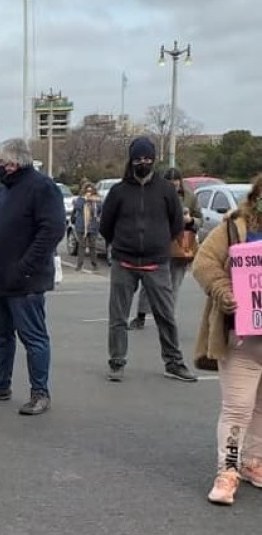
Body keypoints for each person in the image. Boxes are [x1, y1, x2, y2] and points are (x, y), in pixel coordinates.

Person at [0, 139, 65, 415]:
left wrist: (24, 267)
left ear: (13, 163)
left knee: (33, 337)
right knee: (0, 336)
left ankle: (40, 392)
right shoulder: (3, 191)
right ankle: (0, 384)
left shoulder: (42, 188)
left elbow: (51, 231)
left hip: (25, 281)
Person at [99, 137, 195, 382]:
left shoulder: (165, 191)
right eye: (138, 158)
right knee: (118, 318)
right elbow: (105, 226)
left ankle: (174, 362)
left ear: (154, 159)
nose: (143, 162)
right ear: (131, 160)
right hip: (124, 262)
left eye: (147, 158)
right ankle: (117, 362)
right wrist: (121, 244)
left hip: (157, 263)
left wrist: (159, 243)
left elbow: (175, 224)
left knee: (166, 315)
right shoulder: (118, 191)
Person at [192, 174, 262, 505]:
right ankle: (228, 470)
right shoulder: (234, 228)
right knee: (237, 407)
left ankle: (252, 462)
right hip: (242, 336)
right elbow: (203, 263)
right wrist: (224, 290)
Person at [129, 167, 202, 329]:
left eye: (176, 181)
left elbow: (199, 220)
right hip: (157, 245)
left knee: (173, 284)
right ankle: (140, 316)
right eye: (170, 181)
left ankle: (167, 318)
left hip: (181, 245)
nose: (174, 184)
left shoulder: (189, 197)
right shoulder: (154, 195)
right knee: (149, 282)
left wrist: (190, 221)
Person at [72, 182, 101, 271]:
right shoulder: (80, 199)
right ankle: (79, 265)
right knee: (82, 246)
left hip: (93, 226)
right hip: (81, 226)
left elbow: (100, 210)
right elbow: (78, 207)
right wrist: (85, 200)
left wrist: (93, 201)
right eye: (87, 190)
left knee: (93, 246)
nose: (89, 192)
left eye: (91, 191)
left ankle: (94, 264)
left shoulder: (97, 201)